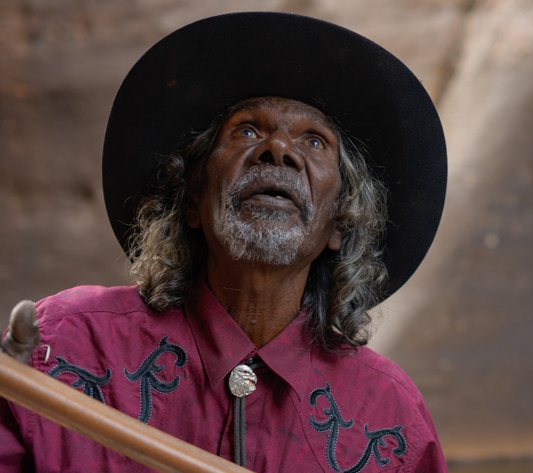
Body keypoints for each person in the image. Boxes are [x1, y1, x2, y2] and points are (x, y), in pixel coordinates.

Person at [0, 11, 447, 472]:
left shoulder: (390, 420)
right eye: (247, 130)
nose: (279, 149)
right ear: (192, 200)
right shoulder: (69, 345)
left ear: (340, 224)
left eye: (314, 142)